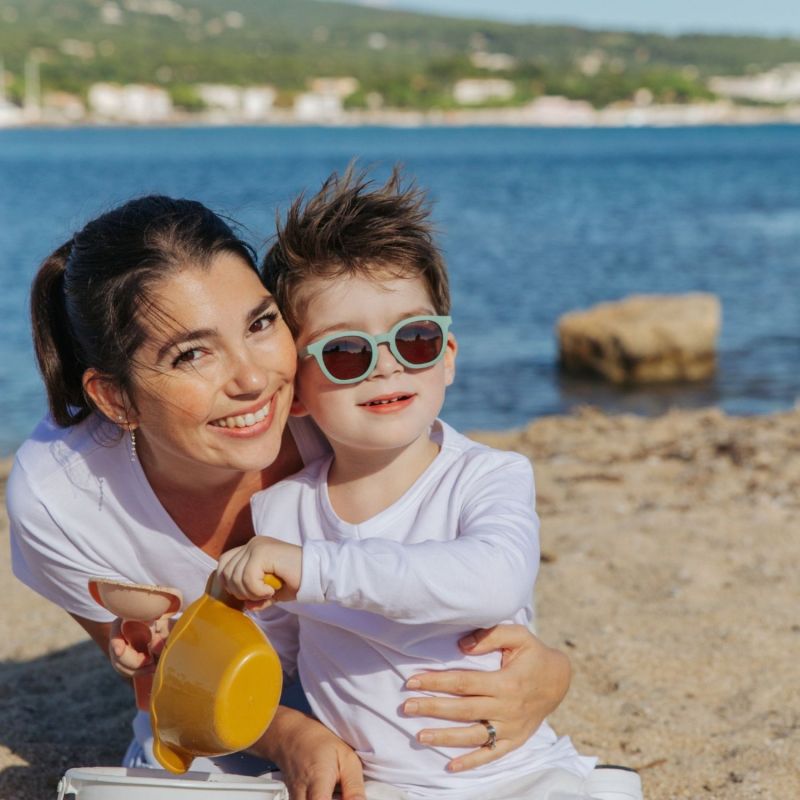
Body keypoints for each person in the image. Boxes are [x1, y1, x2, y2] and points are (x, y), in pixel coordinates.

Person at [7, 194, 574, 800]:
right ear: (116, 399)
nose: (252, 380)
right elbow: (179, 679)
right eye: (192, 353)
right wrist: (192, 671)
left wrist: (554, 674)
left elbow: (479, 572)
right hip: (246, 719)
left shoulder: (335, 402)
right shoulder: (57, 498)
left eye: (259, 324)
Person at [217, 169, 644, 799]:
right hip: (375, 785)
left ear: (446, 355)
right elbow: (271, 658)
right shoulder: (283, 511)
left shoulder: (487, 477)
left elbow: (492, 579)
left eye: (413, 339)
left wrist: (315, 568)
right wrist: (200, 635)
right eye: (345, 352)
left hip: (515, 777)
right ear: (295, 392)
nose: (386, 363)